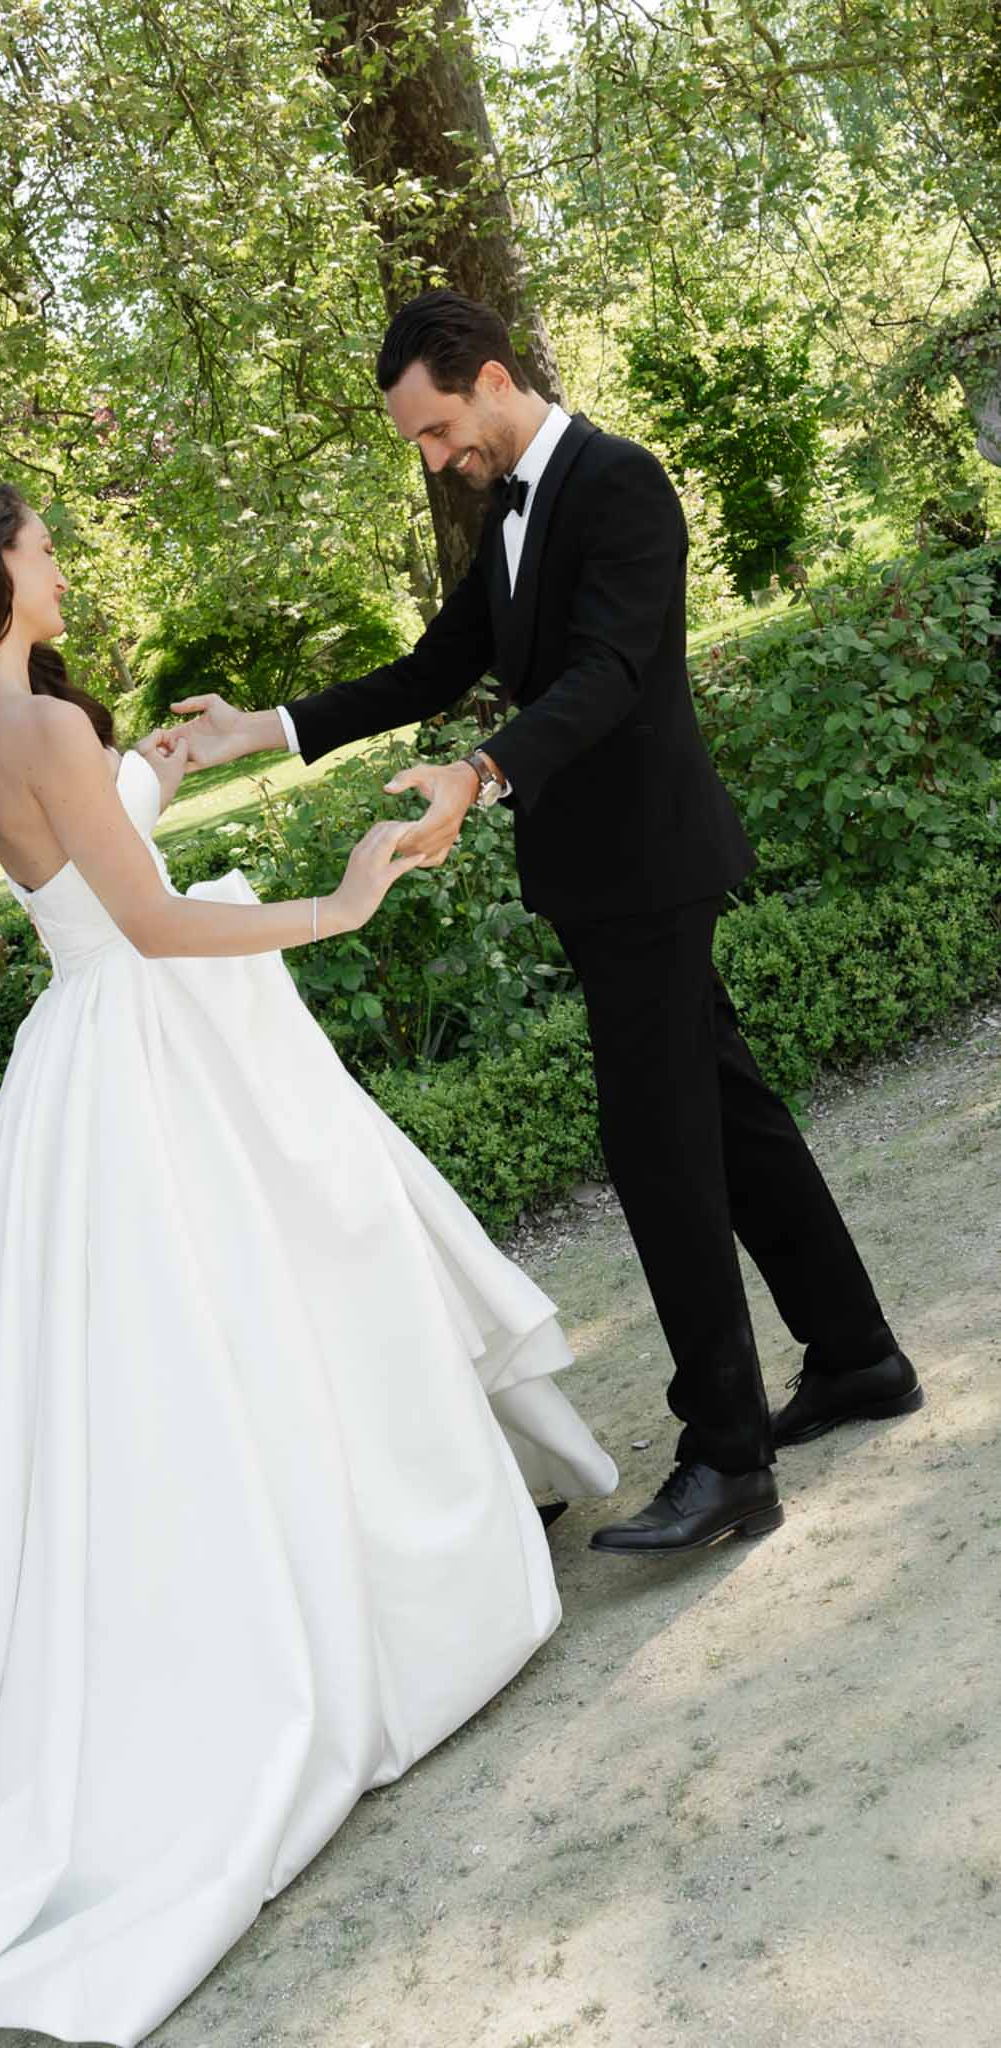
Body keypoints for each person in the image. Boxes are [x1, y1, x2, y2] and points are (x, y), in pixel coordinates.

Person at [0, 482, 616, 2048]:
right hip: (146, 1042)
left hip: (97, 1049)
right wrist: (340, 903)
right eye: (41, 548)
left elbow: (88, 861)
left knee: (224, 1330)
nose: (63, 563)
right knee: (254, 1314)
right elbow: (150, 927)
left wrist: (143, 774)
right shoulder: (33, 720)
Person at [173, 288, 923, 1561]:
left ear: (497, 378)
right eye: (418, 440)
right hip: (597, 878)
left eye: (438, 427)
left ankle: (729, 1456)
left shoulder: (620, 485)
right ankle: (857, 1356)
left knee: (660, 1150)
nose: (434, 456)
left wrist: (482, 774)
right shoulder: (506, 519)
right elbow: (429, 667)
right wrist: (269, 727)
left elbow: (614, 670)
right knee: (729, 1119)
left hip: (650, 866)